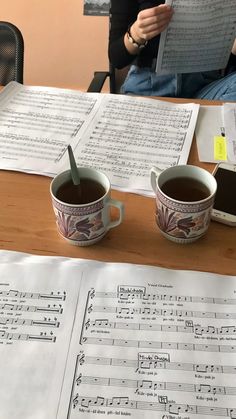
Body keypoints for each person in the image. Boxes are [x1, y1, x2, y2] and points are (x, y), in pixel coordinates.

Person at [108, 0, 236, 100]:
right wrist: (136, 34)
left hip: (205, 86)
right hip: (149, 88)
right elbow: (116, 58)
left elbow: (228, 63)